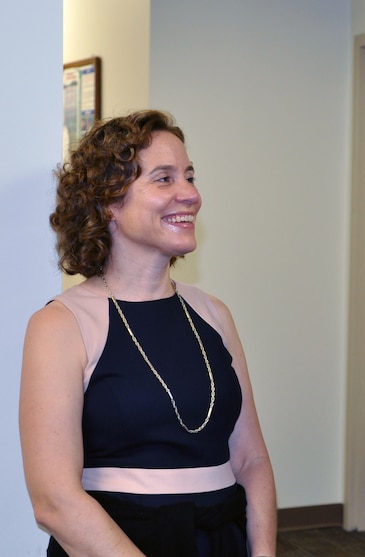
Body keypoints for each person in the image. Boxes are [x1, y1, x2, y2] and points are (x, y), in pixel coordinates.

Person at [19, 110, 277, 556]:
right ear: (108, 204)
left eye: (189, 176)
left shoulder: (213, 313)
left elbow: (251, 460)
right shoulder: (61, 325)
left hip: (220, 539)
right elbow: (53, 502)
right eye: (164, 179)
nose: (190, 194)